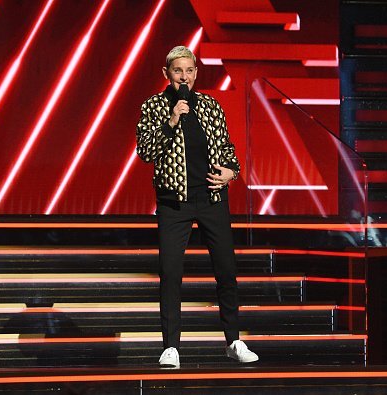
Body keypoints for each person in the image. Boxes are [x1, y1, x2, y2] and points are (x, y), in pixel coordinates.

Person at [136, 46, 259, 368]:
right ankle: (171, 347)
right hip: (174, 203)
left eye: (189, 71)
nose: (184, 77)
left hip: (212, 200)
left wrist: (233, 171)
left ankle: (233, 340)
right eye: (178, 71)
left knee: (226, 271)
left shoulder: (210, 106)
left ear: (195, 73)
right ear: (167, 74)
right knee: (171, 273)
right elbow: (146, 151)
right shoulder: (154, 106)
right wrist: (172, 119)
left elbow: (227, 147)